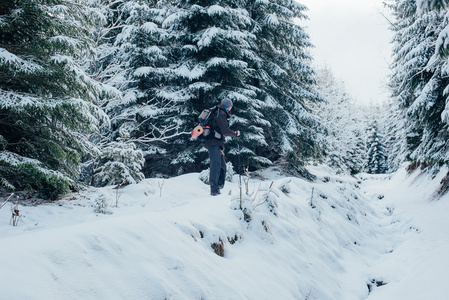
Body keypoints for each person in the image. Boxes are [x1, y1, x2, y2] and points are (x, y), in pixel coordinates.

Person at [205, 98, 240, 196]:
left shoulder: (220, 113)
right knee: (215, 166)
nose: (230, 109)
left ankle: (218, 187)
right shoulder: (220, 114)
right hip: (213, 142)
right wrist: (235, 134)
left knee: (222, 166)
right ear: (227, 106)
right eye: (230, 107)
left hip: (216, 143)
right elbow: (224, 130)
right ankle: (214, 190)